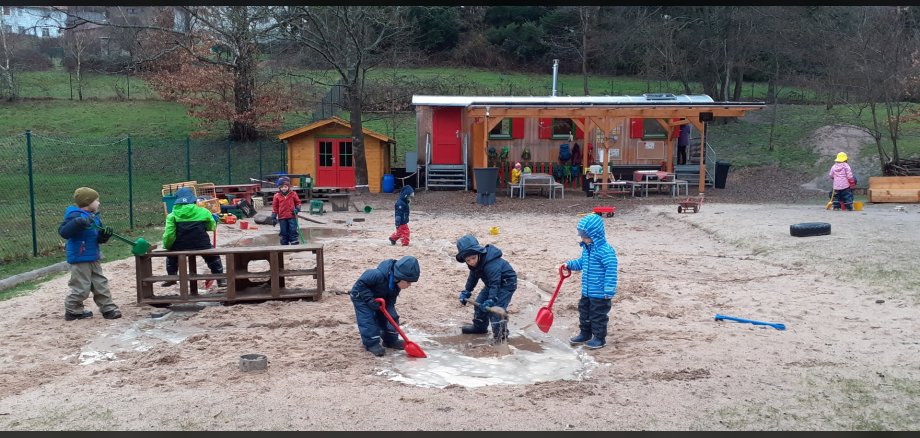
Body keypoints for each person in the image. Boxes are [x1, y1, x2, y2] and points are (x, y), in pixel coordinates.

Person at [57, 187, 122, 321]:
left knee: (100, 283)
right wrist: (77, 223)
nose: (99, 203)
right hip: (80, 257)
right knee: (81, 287)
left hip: (93, 255)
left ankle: (108, 308)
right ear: (88, 202)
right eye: (97, 200)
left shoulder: (94, 217)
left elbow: (96, 237)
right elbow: (64, 232)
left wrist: (104, 236)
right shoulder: (74, 215)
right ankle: (73, 310)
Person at [560, 214, 618, 349]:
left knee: (597, 316)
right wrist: (568, 265)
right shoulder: (587, 249)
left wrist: (608, 290)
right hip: (586, 291)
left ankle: (599, 338)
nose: (583, 239)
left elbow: (611, 270)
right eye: (581, 236)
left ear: (596, 235)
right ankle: (585, 333)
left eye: (585, 236)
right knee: (584, 312)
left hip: (599, 293)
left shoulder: (605, 251)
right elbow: (581, 262)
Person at [349, 256, 421, 357]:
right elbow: (360, 285)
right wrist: (370, 300)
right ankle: (372, 344)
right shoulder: (377, 274)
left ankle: (390, 340)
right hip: (361, 297)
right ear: (399, 277)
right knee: (368, 320)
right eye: (408, 282)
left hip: (381, 298)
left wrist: (388, 309)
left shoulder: (396, 284)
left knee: (392, 317)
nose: (410, 285)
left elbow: (391, 299)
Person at [455, 234, 518, 342]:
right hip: (491, 284)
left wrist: (492, 299)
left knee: (496, 310)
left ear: (479, 253)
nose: (472, 262)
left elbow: (495, 283)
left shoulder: (491, 263)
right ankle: (480, 327)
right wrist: (467, 291)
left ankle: (501, 336)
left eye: (473, 258)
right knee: (479, 303)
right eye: (468, 260)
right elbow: (472, 278)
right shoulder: (473, 263)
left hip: (506, 283)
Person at [161, 187, 225, 287]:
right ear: (193, 199)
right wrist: (213, 221)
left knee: (171, 257)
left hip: (180, 247)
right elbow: (211, 227)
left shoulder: (172, 215)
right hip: (202, 245)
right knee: (213, 257)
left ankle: (172, 277)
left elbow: (169, 234)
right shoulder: (203, 211)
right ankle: (220, 278)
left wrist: (167, 246)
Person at [271, 176, 302, 245]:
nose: (284, 188)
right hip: (282, 217)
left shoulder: (293, 194)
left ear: (288, 187)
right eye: (282, 187)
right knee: (283, 230)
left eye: (285, 187)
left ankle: (294, 241)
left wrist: (297, 209)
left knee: (293, 229)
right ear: (279, 188)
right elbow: (275, 206)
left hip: (292, 215)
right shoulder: (276, 196)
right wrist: (273, 216)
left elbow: (298, 202)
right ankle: (284, 242)